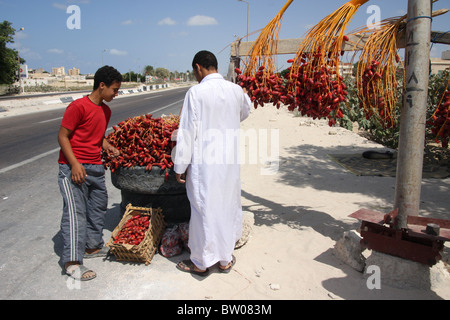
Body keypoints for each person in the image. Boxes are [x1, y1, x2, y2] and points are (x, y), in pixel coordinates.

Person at [174, 50, 251, 276]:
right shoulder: (236, 91)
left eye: (194, 71)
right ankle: (225, 259)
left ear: (198, 67)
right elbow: (246, 111)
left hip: (204, 164)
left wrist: (180, 166)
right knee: (226, 206)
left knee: (202, 211)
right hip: (228, 162)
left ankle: (200, 263)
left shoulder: (196, 93)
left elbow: (187, 132)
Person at [57, 65, 122, 281]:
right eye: (114, 89)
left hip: (95, 168)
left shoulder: (105, 110)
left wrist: (107, 146)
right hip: (74, 168)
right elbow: (63, 136)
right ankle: (72, 262)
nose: (116, 94)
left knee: (98, 207)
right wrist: (74, 164)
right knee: (76, 214)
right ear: (101, 85)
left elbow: (97, 136)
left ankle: (93, 247)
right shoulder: (78, 107)